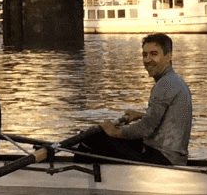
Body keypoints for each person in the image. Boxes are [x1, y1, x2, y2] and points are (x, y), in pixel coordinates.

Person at [43, 32, 191, 166]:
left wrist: (114, 132)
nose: (147, 60)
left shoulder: (164, 85)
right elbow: (167, 119)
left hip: (161, 159)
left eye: (153, 54)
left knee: (92, 137)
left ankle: (79, 178)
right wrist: (141, 115)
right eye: (144, 55)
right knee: (105, 138)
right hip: (172, 155)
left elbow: (145, 128)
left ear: (169, 56)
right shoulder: (175, 81)